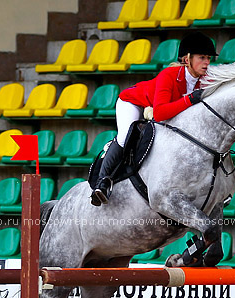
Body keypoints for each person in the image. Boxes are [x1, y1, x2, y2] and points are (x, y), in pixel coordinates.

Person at [90, 31, 218, 206]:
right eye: (202, 57)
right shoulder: (169, 75)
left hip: (159, 108)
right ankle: (102, 182)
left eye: (209, 58)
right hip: (134, 102)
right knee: (125, 136)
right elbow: (160, 113)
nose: (207, 63)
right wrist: (189, 100)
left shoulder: (204, 80)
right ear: (187, 59)